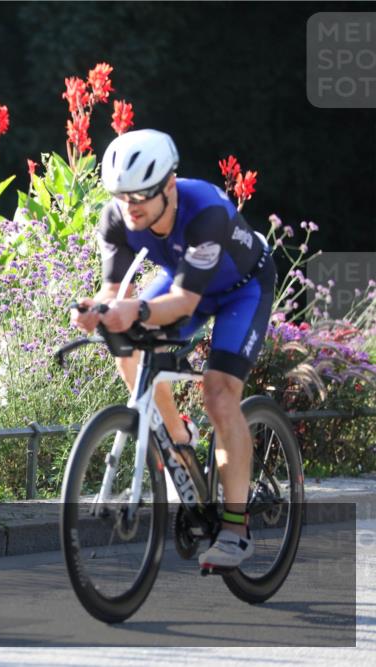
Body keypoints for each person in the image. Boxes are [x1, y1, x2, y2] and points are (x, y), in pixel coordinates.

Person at [70, 129, 276, 571]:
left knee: (220, 395)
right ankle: (177, 438)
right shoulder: (117, 219)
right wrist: (97, 310)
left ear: (169, 185)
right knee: (124, 345)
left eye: (143, 194)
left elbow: (183, 304)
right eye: (122, 195)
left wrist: (135, 308)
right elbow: (112, 293)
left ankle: (236, 529)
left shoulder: (206, 211)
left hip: (244, 289)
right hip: (186, 283)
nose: (132, 206)